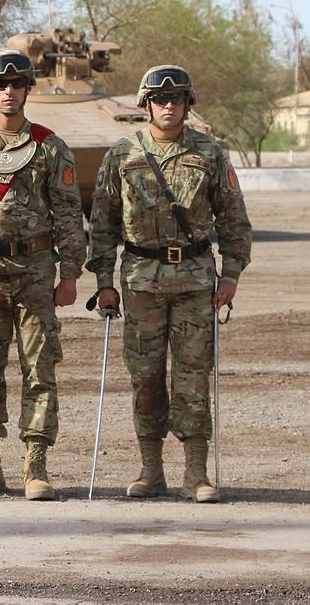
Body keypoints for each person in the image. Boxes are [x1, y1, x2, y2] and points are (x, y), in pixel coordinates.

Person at [87, 65, 251, 503]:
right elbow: (101, 225)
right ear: (146, 104)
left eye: (177, 98)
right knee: (145, 378)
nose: (169, 105)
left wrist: (231, 274)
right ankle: (150, 470)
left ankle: (196, 473)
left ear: (187, 103)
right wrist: (104, 281)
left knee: (194, 379)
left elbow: (235, 220)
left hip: (196, 282)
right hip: (141, 282)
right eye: (160, 99)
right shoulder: (122, 154)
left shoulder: (210, 153)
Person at [0, 48, 86, 501]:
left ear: (29, 89)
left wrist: (70, 273)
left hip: (35, 272)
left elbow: (69, 214)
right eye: (0, 85)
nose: (8, 92)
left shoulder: (50, 146)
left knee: (39, 369)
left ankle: (35, 465)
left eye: (17, 84)